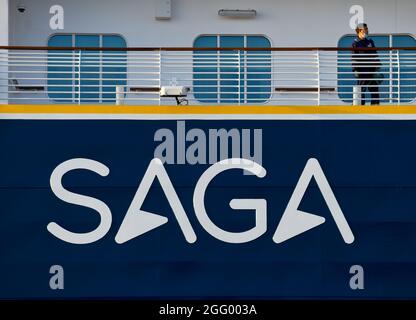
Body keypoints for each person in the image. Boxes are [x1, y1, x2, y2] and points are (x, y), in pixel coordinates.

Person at [352, 23, 381, 105]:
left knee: (374, 87)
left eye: (367, 28)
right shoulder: (355, 43)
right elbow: (354, 57)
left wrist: (378, 65)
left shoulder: (370, 41)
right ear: (360, 31)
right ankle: (361, 106)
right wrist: (355, 70)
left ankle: (375, 105)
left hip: (372, 69)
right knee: (361, 89)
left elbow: (375, 54)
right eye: (365, 29)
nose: (367, 30)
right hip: (362, 70)